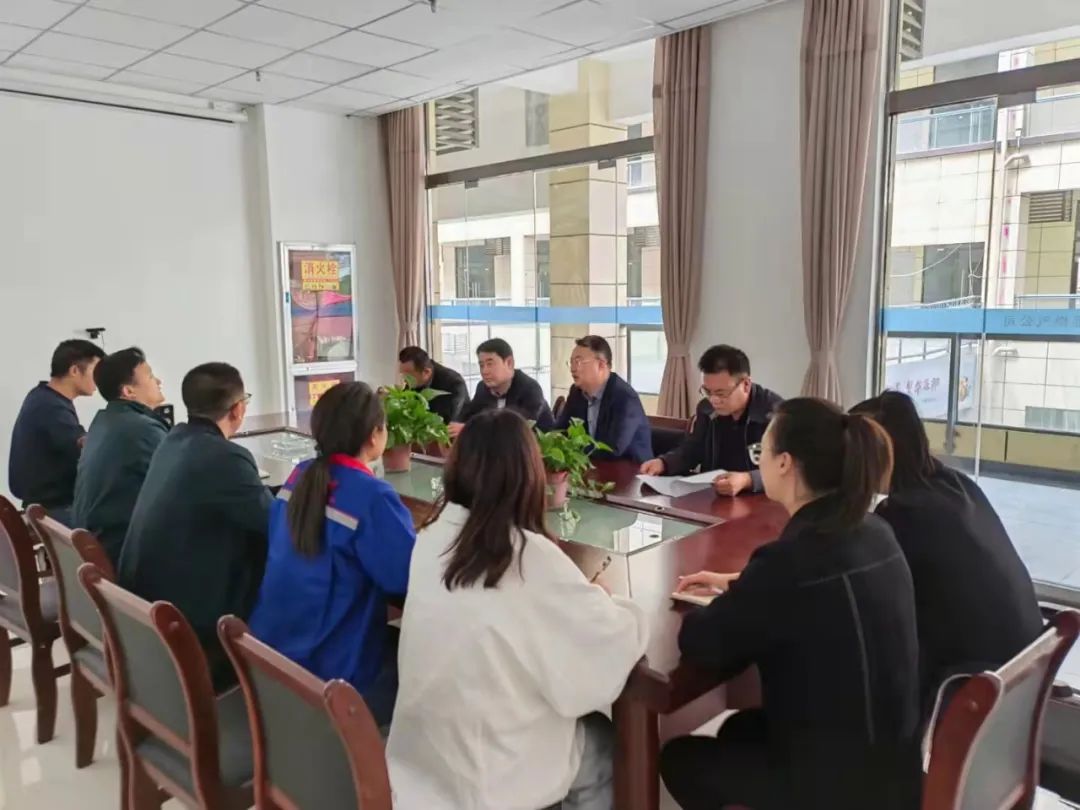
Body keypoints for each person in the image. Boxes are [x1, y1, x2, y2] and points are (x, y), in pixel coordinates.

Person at [660, 398, 921, 810]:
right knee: (739, 730)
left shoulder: (789, 560)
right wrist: (745, 586)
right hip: (894, 770)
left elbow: (702, 643)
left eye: (759, 451)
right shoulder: (877, 531)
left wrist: (729, 598)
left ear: (784, 463)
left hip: (835, 792)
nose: (758, 460)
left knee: (681, 759)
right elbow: (810, 595)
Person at [388, 409, 649, 810]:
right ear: (529, 475)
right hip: (491, 776)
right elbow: (604, 654)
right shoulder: (528, 556)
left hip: (425, 762)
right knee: (600, 743)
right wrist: (604, 600)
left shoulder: (432, 536)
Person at [850, 390, 1043, 712]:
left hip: (968, 685)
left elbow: (873, 600)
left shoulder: (902, 513)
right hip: (1020, 670)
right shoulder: (957, 484)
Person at [248, 381, 415, 729]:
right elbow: (407, 581)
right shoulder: (372, 496)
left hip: (271, 660)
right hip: (333, 677)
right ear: (375, 434)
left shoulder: (300, 475)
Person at [118, 362, 271, 690]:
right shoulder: (225, 457)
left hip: (146, 606)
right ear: (238, 409)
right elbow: (274, 523)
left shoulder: (172, 440)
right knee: (285, 562)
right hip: (187, 620)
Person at [640, 345, 782, 497]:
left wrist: (748, 480)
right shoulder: (706, 408)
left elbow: (787, 470)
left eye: (721, 393)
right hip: (715, 497)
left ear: (746, 384)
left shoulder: (777, 415)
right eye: (708, 391)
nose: (714, 400)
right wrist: (664, 463)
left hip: (761, 500)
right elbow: (693, 449)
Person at [71, 347, 168, 567]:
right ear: (128, 391)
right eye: (150, 376)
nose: (158, 381)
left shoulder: (105, 421)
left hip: (98, 545)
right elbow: (181, 485)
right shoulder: (141, 429)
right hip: (122, 553)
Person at [8, 339, 106, 524]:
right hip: (54, 510)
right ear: (75, 370)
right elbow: (85, 447)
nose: (100, 379)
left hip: (42, 505)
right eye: (97, 371)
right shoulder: (51, 407)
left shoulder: (41, 395)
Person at [554, 336, 652, 464]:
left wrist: (572, 448)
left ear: (601, 365)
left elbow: (612, 449)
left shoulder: (625, 398)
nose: (573, 368)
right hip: (592, 467)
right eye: (571, 362)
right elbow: (560, 431)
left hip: (631, 470)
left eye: (578, 362)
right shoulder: (576, 392)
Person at [450, 337, 554, 436]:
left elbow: (515, 427)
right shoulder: (482, 388)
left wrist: (470, 429)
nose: (484, 371)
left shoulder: (530, 388)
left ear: (509, 363)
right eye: (481, 365)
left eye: (490, 364)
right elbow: (469, 417)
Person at [398, 346, 470, 424]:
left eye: (408, 375)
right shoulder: (414, 382)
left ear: (426, 372)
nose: (404, 379)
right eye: (402, 374)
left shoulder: (454, 383)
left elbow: (445, 421)